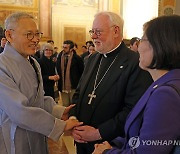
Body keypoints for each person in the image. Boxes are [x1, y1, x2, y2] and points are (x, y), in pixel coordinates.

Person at [93, 15, 180, 154]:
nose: (138, 46)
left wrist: (106, 153)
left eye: (142, 40)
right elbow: (139, 132)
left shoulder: (166, 94)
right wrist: (114, 144)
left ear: (160, 45)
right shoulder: (162, 84)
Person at [70, 11, 153, 154]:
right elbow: (79, 93)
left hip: (110, 144)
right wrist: (73, 120)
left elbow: (133, 110)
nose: (93, 36)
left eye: (98, 32)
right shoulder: (91, 59)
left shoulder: (135, 63)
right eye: (92, 32)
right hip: (81, 141)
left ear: (116, 31)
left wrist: (98, 133)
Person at [0, 12, 82, 154]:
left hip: (37, 132)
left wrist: (58, 111)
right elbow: (19, 111)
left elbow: (38, 99)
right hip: (15, 135)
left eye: (37, 34)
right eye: (29, 34)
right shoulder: (2, 66)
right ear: (9, 35)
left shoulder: (33, 63)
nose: (36, 39)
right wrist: (60, 126)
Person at [56, 40, 84, 107]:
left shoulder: (77, 58)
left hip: (73, 85)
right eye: (63, 47)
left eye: (66, 48)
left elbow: (81, 72)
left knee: (73, 104)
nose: (63, 49)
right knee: (65, 105)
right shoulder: (59, 57)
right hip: (63, 85)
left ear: (71, 49)